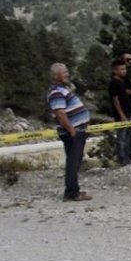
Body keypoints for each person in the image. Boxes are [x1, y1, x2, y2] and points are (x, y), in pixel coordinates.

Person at [47, 62, 92, 202]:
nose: (67, 74)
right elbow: (60, 113)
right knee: (73, 161)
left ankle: (72, 190)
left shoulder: (61, 90)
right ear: (55, 76)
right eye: (64, 72)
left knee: (75, 160)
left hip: (77, 130)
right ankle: (72, 193)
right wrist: (72, 130)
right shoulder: (56, 92)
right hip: (73, 132)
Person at [108, 56, 131, 165]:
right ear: (115, 70)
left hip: (129, 112)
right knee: (122, 137)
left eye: (125, 69)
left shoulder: (122, 82)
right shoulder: (114, 83)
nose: (124, 71)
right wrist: (121, 114)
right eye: (122, 69)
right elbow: (115, 99)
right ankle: (122, 158)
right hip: (122, 114)